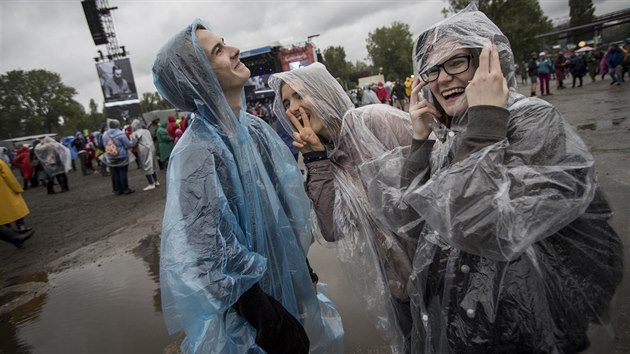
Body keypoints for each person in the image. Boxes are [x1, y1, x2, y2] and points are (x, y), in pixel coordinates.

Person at [367, 4, 623, 352]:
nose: (442, 78)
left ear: (490, 63)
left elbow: (481, 229)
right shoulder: (451, 136)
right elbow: (411, 222)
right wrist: (419, 140)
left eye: (457, 62)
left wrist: (486, 120)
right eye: (431, 69)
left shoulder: (532, 120)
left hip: (523, 328)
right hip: (463, 320)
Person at [152, 19, 343, 353]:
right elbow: (211, 258)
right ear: (199, 76)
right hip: (250, 321)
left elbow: (285, 214)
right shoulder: (197, 154)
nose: (234, 49)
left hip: (288, 284)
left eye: (224, 42)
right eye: (218, 50)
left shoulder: (254, 131)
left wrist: (304, 271)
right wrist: (267, 320)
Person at [269, 62, 417, 352]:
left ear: (323, 92)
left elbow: (436, 182)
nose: (293, 108)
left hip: (438, 273)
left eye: (300, 95)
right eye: (286, 102)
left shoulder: (375, 120)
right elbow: (333, 230)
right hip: (400, 289)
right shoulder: (323, 160)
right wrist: (316, 162)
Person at [0, 159, 35, 249]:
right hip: (3, 191)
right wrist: (17, 188)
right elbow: (9, 177)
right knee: (12, 210)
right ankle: (17, 234)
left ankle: (13, 234)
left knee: (3, 217)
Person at [101, 119, 135, 195]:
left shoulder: (105, 134)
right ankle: (125, 189)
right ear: (117, 125)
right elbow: (128, 145)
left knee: (115, 173)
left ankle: (117, 190)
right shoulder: (120, 134)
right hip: (121, 155)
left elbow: (104, 145)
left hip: (110, 156)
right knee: (122, 172)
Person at [130, 119, 160, 191]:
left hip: (144, 149)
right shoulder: (146, 131)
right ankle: (156, 181)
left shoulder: (135, 133)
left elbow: (133, 143)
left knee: (146, 165)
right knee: (152, 164)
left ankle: (151, 183)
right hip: (151, 147)